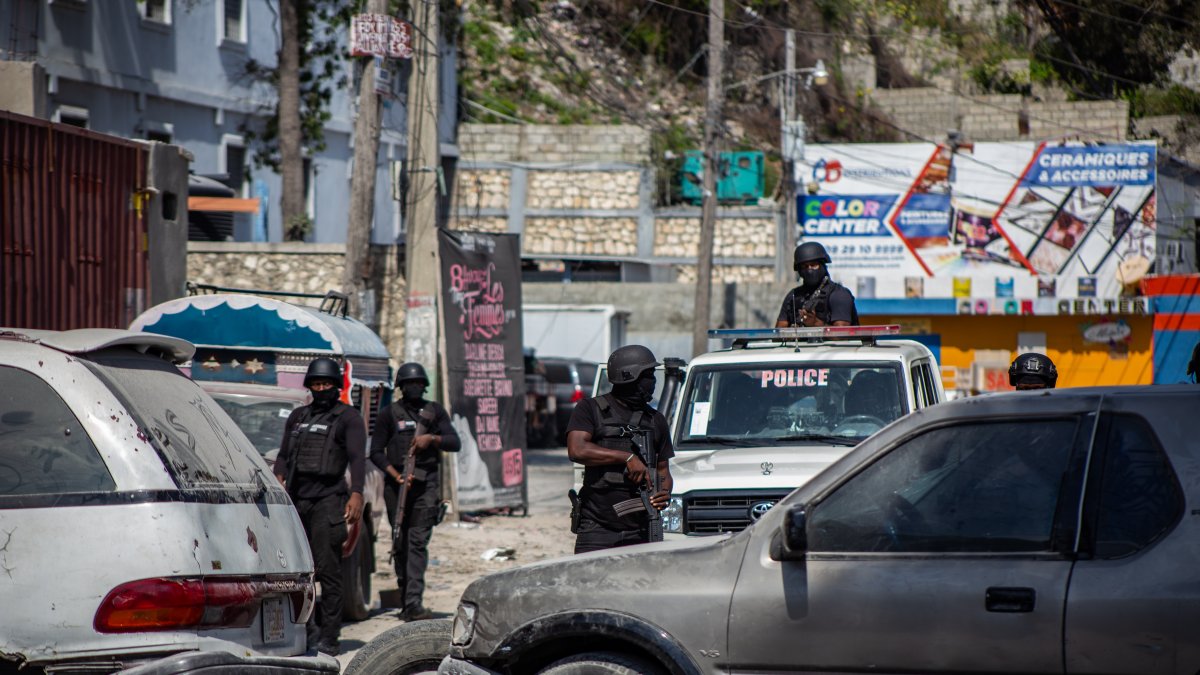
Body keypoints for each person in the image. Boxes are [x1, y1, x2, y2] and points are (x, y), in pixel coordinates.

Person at [272, 357, 365, 656]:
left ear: (336, 386)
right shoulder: (298, 416)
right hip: (298, 499)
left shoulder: (348, 418)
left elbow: (357, 458)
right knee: (300, 572)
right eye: (316, 384)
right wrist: (279, 480)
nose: (321, 388)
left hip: (329, 499)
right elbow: (284, 454)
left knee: (328, 570)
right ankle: (306, 633)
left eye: (326, 384)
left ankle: (330, 637)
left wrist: (357, 494)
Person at [369, 362, 460, 622]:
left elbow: (454, 442)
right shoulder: (389, 414)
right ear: (401, 387)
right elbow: (375, 451)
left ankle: (413, 604)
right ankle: (404, 594)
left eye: (419, 384)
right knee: (400, 542)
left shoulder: (434, 412)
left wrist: (431, 440)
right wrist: (395, 475)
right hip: (396, 487)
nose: (415, 388)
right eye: (410, 384)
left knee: (417, 543)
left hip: (425, 488)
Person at [566, 345, 674, 553]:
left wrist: (664, 493)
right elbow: (577, 449)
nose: (653, 382)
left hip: (642, 528)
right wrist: (627, 457)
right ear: (629, 376)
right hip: (597, 528)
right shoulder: (590, 409)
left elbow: (663, 471)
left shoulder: (655, 420)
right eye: (648, 375)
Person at [776, 241, 859, 328]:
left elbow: (842, 333)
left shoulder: (839, 294)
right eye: (804, 266)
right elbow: (779, 331)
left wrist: (815, 323)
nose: (809, 270)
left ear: (823, 265)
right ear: (799, 270)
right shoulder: (793, 296)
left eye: (814, 265)